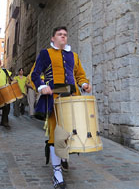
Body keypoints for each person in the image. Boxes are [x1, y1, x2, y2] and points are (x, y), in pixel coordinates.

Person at [31, 26, 92, 189]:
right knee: (55, 135)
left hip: (73, 98)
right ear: (53, 38)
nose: (63, 37)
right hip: (54, 99)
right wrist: (41, 86)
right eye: (59, 35)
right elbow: (35, 74)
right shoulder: (45, 54)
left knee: (72, 132)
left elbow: (79, 75)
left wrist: (84, 84)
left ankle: (64, 156)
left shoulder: (74, 56)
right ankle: (57, 173)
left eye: (65, 35)